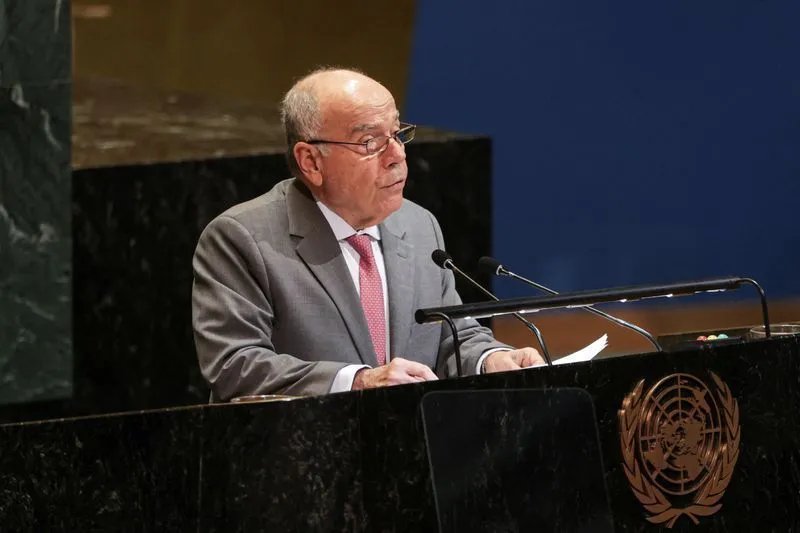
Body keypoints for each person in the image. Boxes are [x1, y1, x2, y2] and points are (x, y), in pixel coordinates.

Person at [192, 68, 544, 400]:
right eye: (369, 142)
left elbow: (450, 336)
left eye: (398, 134)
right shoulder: (243, 239)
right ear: (311, 161)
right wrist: (359, 381)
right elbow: (235, 364)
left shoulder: (419, 225)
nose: (397, 155)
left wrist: (490, 360)